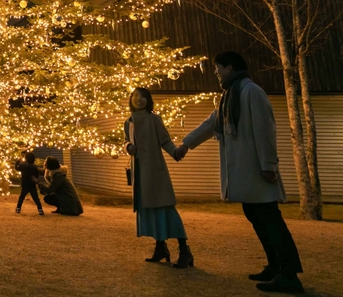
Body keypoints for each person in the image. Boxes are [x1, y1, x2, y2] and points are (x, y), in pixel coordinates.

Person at [175, 51, 303, 294]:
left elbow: (265, 130)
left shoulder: (251, 92)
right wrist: (186, 145)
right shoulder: (229, 96)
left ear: (230, 68)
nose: (216, 72)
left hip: (258, 171)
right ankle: (276, 266)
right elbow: (212, 122)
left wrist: (268, 165)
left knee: (271, 221)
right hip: (248, 173)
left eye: (218, 68)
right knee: (258, 218)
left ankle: (289, 275)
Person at [125, 88, 192, 268]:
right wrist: (128, 147)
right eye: (135, 96)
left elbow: (165, 140)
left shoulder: (154, 119)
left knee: (165, 210)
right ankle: (160, 247)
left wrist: (175, 152)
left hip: (155, 171)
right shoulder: (129, 122)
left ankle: (184, 250)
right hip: (140, 173)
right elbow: (126, 140)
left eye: (143, 96)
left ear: (148, 100)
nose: (139, 99)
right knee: (150, 211)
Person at [15, 150, 44, 216]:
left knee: (22, 196)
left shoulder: (23, 165)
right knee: (36, 198)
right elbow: (36, 175)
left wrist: (18, 161)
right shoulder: (34, 166)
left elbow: (16, 168)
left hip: (25, 184)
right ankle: (40, 209)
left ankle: (18, 208)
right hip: (32, 184)